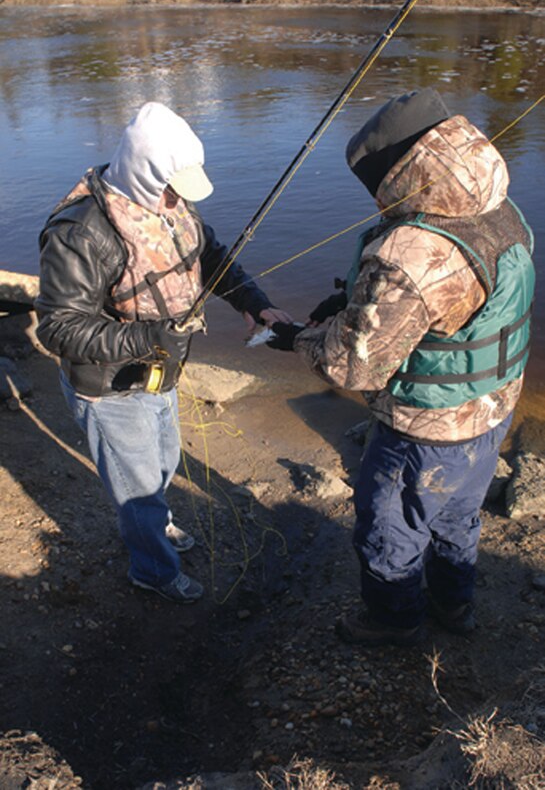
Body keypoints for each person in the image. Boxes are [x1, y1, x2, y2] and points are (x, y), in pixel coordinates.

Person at [267, 88, 535, 646]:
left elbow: (352, 367)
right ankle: (453, 606)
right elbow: (455, 309)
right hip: (493, 410)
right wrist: (352, 302)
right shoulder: (501, 209)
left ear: (398, 174)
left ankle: (395, 620)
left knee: (389, 528)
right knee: (458, 518)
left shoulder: (407, 254)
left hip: (425, 431)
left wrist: (296, 338)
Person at [36, 101, 290, 605]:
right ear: (146, 174)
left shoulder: (172, 206)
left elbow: (213, 256)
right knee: (137, 489)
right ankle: (151, 570)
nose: (179, 199)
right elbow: (57, 328)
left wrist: (255, 304)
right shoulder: (81, 233)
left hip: (159, 373)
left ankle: (160, 525)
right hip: (111, 388)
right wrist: (146, 339)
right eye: (173, 188)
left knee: (163, 463)